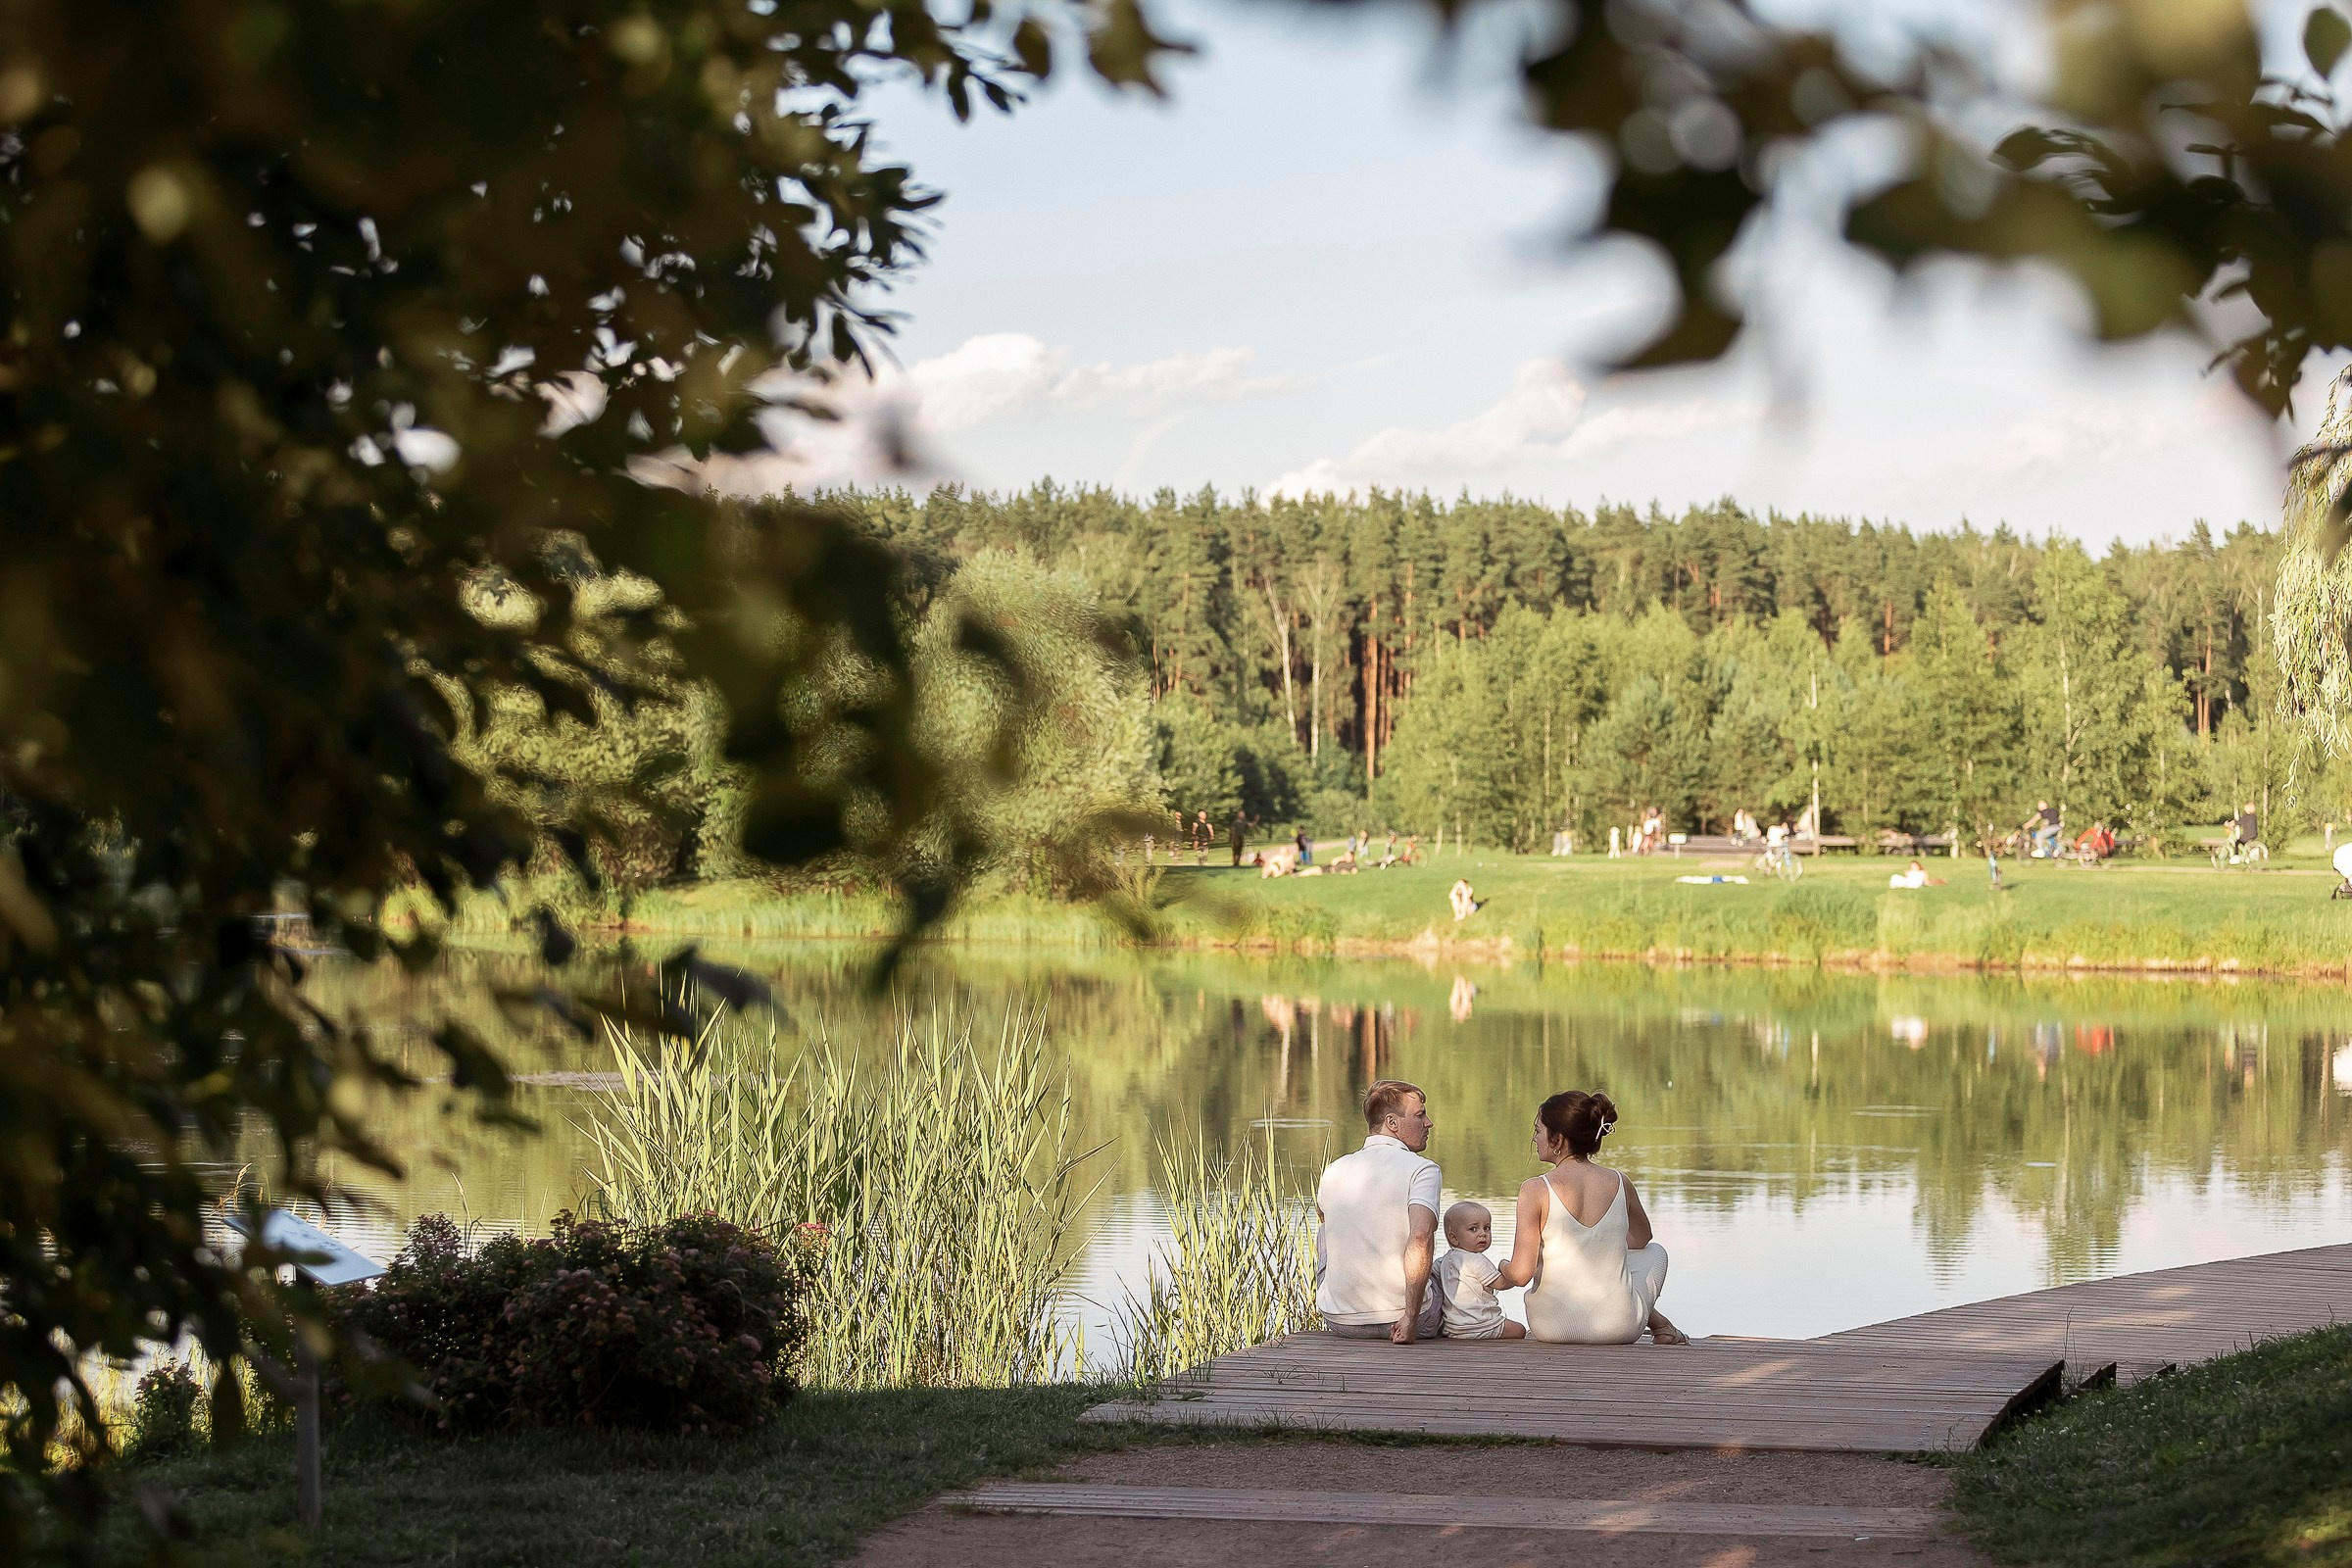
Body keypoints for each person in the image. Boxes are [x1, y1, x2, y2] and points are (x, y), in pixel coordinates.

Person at [1494, 1089, 1686, 1346]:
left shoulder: (1535, 1189)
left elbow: (1520, 1275)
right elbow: (1642, 1239)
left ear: (1558, 1139)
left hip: (1552, 1328)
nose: (1534, 1138)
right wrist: (1603, 1246)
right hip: (1618, 1327)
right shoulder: (1620, 1181)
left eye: (1538, 1131)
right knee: (1656, 1253)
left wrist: (1502, 1266)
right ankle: (1661, 1325)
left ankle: (1660, 1324)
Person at [1315, 1080, 1443, 1343]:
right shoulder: (1423, 1170)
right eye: (1420, 1115)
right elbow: (1420, 1239)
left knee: (1326, 1229)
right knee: (1452, 1268)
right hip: (1405, 1321)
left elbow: (1326, 1231)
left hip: (1340, 1321)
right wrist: (1410, 1318)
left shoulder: (1333, 1170)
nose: (1428, 1123)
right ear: (1392, 1123)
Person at [1437, 1201, 1524, 1341]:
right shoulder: (1476, 1260)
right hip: (1481, 1325)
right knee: (1520, 1330)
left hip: (1453, 1327)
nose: (1482, 1234)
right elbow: (1501, 1284)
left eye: (1487, 1228)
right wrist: (1505, 1267)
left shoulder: (1444, 1261)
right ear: (1454, 1238)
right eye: (1473, 1229)